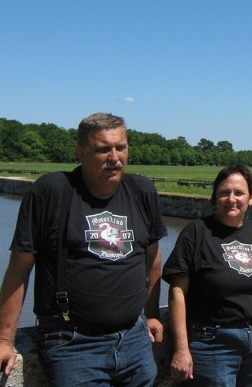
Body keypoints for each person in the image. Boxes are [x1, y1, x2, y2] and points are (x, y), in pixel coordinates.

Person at [0, 113, 167, 386]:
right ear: (80, 152)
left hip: (135, 340)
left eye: (121, 147)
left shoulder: (141, 191)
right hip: (73, 344)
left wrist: (150, 315)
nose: (114, 156)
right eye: (102, 149)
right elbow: (19, 269)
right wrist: (5, 340)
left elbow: (153, 259)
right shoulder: (52, 191)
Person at [163, 163, 252, 386]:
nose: (232, 199)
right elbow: (177, 292)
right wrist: (181, 348)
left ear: (251, 198)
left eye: (239, 193)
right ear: (214, 197)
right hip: (214, 343)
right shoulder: (197, 232)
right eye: (224, 193)